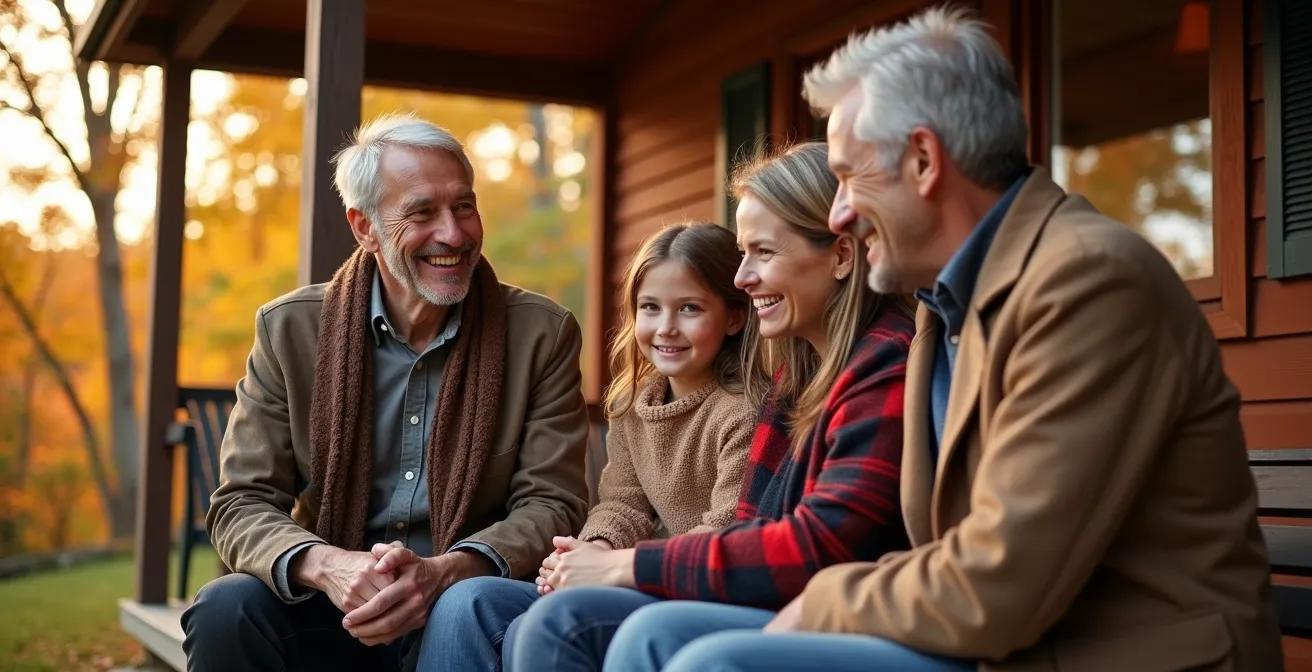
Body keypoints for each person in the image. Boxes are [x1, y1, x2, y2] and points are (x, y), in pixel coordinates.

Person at [614, 7, 1284, 672]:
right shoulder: (946, 309)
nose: (841, 212)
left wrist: (825, 599)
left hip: (1116, 654)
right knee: (659, 641)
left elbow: (1000, 583)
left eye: (849, 175)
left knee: (715, 664)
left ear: (924, 161)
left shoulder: (1085, 284)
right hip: (1003, 641)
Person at [179, 112, 592, 672]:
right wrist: (329, 567)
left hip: (462, 603)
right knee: (227, 606)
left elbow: (554, 505)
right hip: (332, 604)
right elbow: (240, 503)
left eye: (464, 206)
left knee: (464, 608)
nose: (453, 233)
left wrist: (444, 571)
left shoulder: (540, 333)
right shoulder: (290, 329)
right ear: (365, 227)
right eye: (422, 212)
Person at [501, 140, 917, 672]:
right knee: (498, 609)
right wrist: (595, 551)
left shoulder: (883, 364)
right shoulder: (798, 373)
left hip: (849, 608)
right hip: (772, 592)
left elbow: (818, 544)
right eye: (743, 254)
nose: (744, 278)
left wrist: (625, 565)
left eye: (763, 252)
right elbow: (752, 522)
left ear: (840, 255)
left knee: (608, 628)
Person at [414, 221, 758, 670]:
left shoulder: (743, 412)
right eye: (650, 307)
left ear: (733, 317)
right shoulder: (635, 404)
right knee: (469, 600)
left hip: (691, 585)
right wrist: (592, 548)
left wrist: (614, 568)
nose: (666, 327)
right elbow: (622, 505)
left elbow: (727, 528)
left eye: (690, 308)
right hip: (635, 572)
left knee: (534, 624)